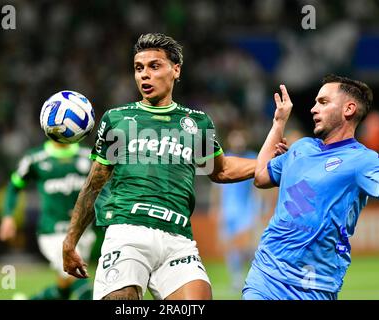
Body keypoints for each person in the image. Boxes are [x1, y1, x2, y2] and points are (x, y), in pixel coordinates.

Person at [62, 33, 261, 300]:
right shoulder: (118, 119)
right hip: (128, 231)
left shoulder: (197, 123)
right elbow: (94, 183)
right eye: (138, 68)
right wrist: (71, 239)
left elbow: (221, 170)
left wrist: (271, 164)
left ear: (176, 70)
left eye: (154, 66)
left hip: (178, 239)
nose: (144, 75)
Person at [243, 75, 379, 300]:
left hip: (315, 286)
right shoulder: (302, 148)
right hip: (266, 275)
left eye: (323, 102)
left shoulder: (363, 161)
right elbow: (261, 176)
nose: (313, 109)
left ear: (348, 109)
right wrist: (279, 123)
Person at [0, 140, 96, 300]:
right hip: (53, 232)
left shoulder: (87, 155)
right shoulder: (35, 158)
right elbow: (14, 184)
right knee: (79, 279)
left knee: (64, 288)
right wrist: (8, 216)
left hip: (82, 232)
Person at [209, 128, 265, 294]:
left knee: (250, 246)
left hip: (247, 209)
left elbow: (260, 183)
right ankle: (237, 278)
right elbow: (217, 186)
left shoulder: (253, 157)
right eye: (235, 138)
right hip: (228, 209)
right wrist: (215, 207)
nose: (238, 141)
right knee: (231, 246)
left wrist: (259, 206)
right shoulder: (223, 158)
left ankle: (255, 277)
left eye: (240, 137)